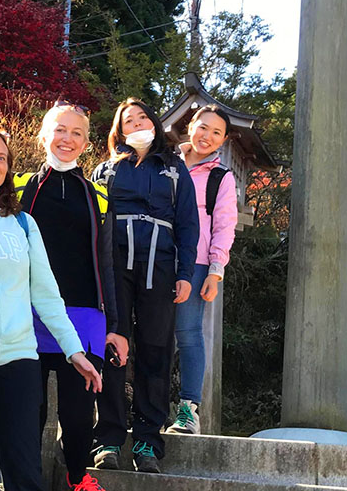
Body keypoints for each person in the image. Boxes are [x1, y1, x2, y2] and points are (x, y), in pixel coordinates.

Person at [0, 127, 102, 491]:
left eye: (2, 158)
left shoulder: (22, 223)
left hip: (19, 359)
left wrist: (74, 351)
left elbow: (47, 296)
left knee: (24, 470)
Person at [13, 102, 125, 491]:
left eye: (77, 133)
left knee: (78, 414)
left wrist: (117, 325)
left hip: (84, 315)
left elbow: (108, 263)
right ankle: (22, 482)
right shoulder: (18, 187)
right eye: (60, 130)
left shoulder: (99, 195)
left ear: (87, 142)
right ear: (44, 135)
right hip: (24, 312)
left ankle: (78, 479)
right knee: (29, 410)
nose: (67, 138)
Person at [91, 98, 199, 473]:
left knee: (156, 350)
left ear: (154, 123)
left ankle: (147, 442)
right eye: (128, 120)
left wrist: (186, 272)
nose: (136, 124)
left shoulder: (173, 168)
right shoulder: (104, 170)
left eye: (142, 117)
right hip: (114, 263)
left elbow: (188, 222)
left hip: (162, 265)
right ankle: (107, 438)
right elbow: (92, 221)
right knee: (111, 346)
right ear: (118, 131)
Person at [166, 105, 238, 435]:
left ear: (223, 140)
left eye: (216, 132)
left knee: (188, 332)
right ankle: (146, 407)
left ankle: (188, 410)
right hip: (154, 257)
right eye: (203, 127)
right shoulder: (164, 164)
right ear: (190, 126)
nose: (207, 136)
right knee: (150, 336)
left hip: (194, 262)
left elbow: (225, 225)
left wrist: (215, 269)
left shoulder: (220, 177)